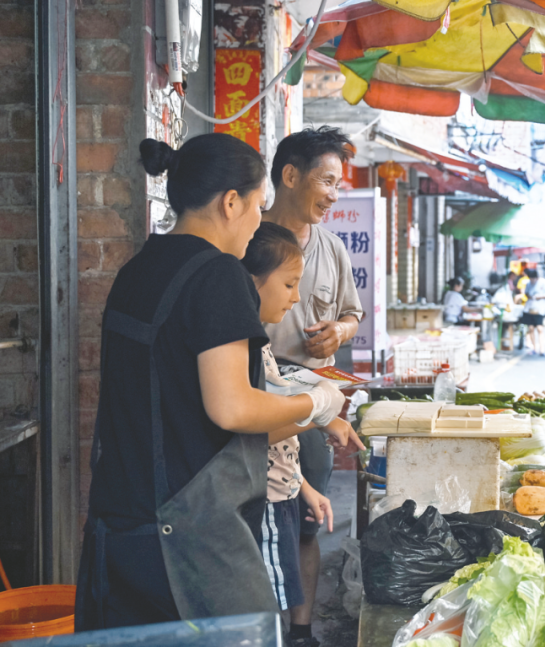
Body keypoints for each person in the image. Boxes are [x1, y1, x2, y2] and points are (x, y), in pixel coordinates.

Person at [76, 135, 348, 630]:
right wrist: (316, 404)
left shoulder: (138, 269)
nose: (258, 223)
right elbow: (233, 408)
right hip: (185, 528)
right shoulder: (219, 273)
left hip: (118, 520)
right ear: (230, 203)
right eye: (257, 206)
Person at [262, 126, 365, 647]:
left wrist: (339, 333)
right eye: (327, 181)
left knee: (307, 517)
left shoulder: (333, 250)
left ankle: (300, 631)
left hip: (311, 407)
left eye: (339, 185)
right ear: (289, 176)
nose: (333, 194)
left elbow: (352, 314)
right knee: (256, 515)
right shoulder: (249, 244)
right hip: (253, 401)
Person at [241, 223, 364, 616]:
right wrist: (321, 409)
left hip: (281, 491)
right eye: (290, 285)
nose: (296, 299)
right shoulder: (244, 347)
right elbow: (257, 432)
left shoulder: (256, 344)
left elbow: (278, 445)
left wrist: (303, 485)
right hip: (263, 501)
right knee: (266, 612)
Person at [521, 268, 545, 356]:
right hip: (529, 308)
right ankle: (534, 348)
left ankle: (542, 349)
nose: (532, 280)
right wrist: (530, 296)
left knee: (539, 328)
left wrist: (539, 297)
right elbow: (526, 293)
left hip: (539, 309)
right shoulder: (528, 283)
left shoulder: (543, 282)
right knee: (531, 328)